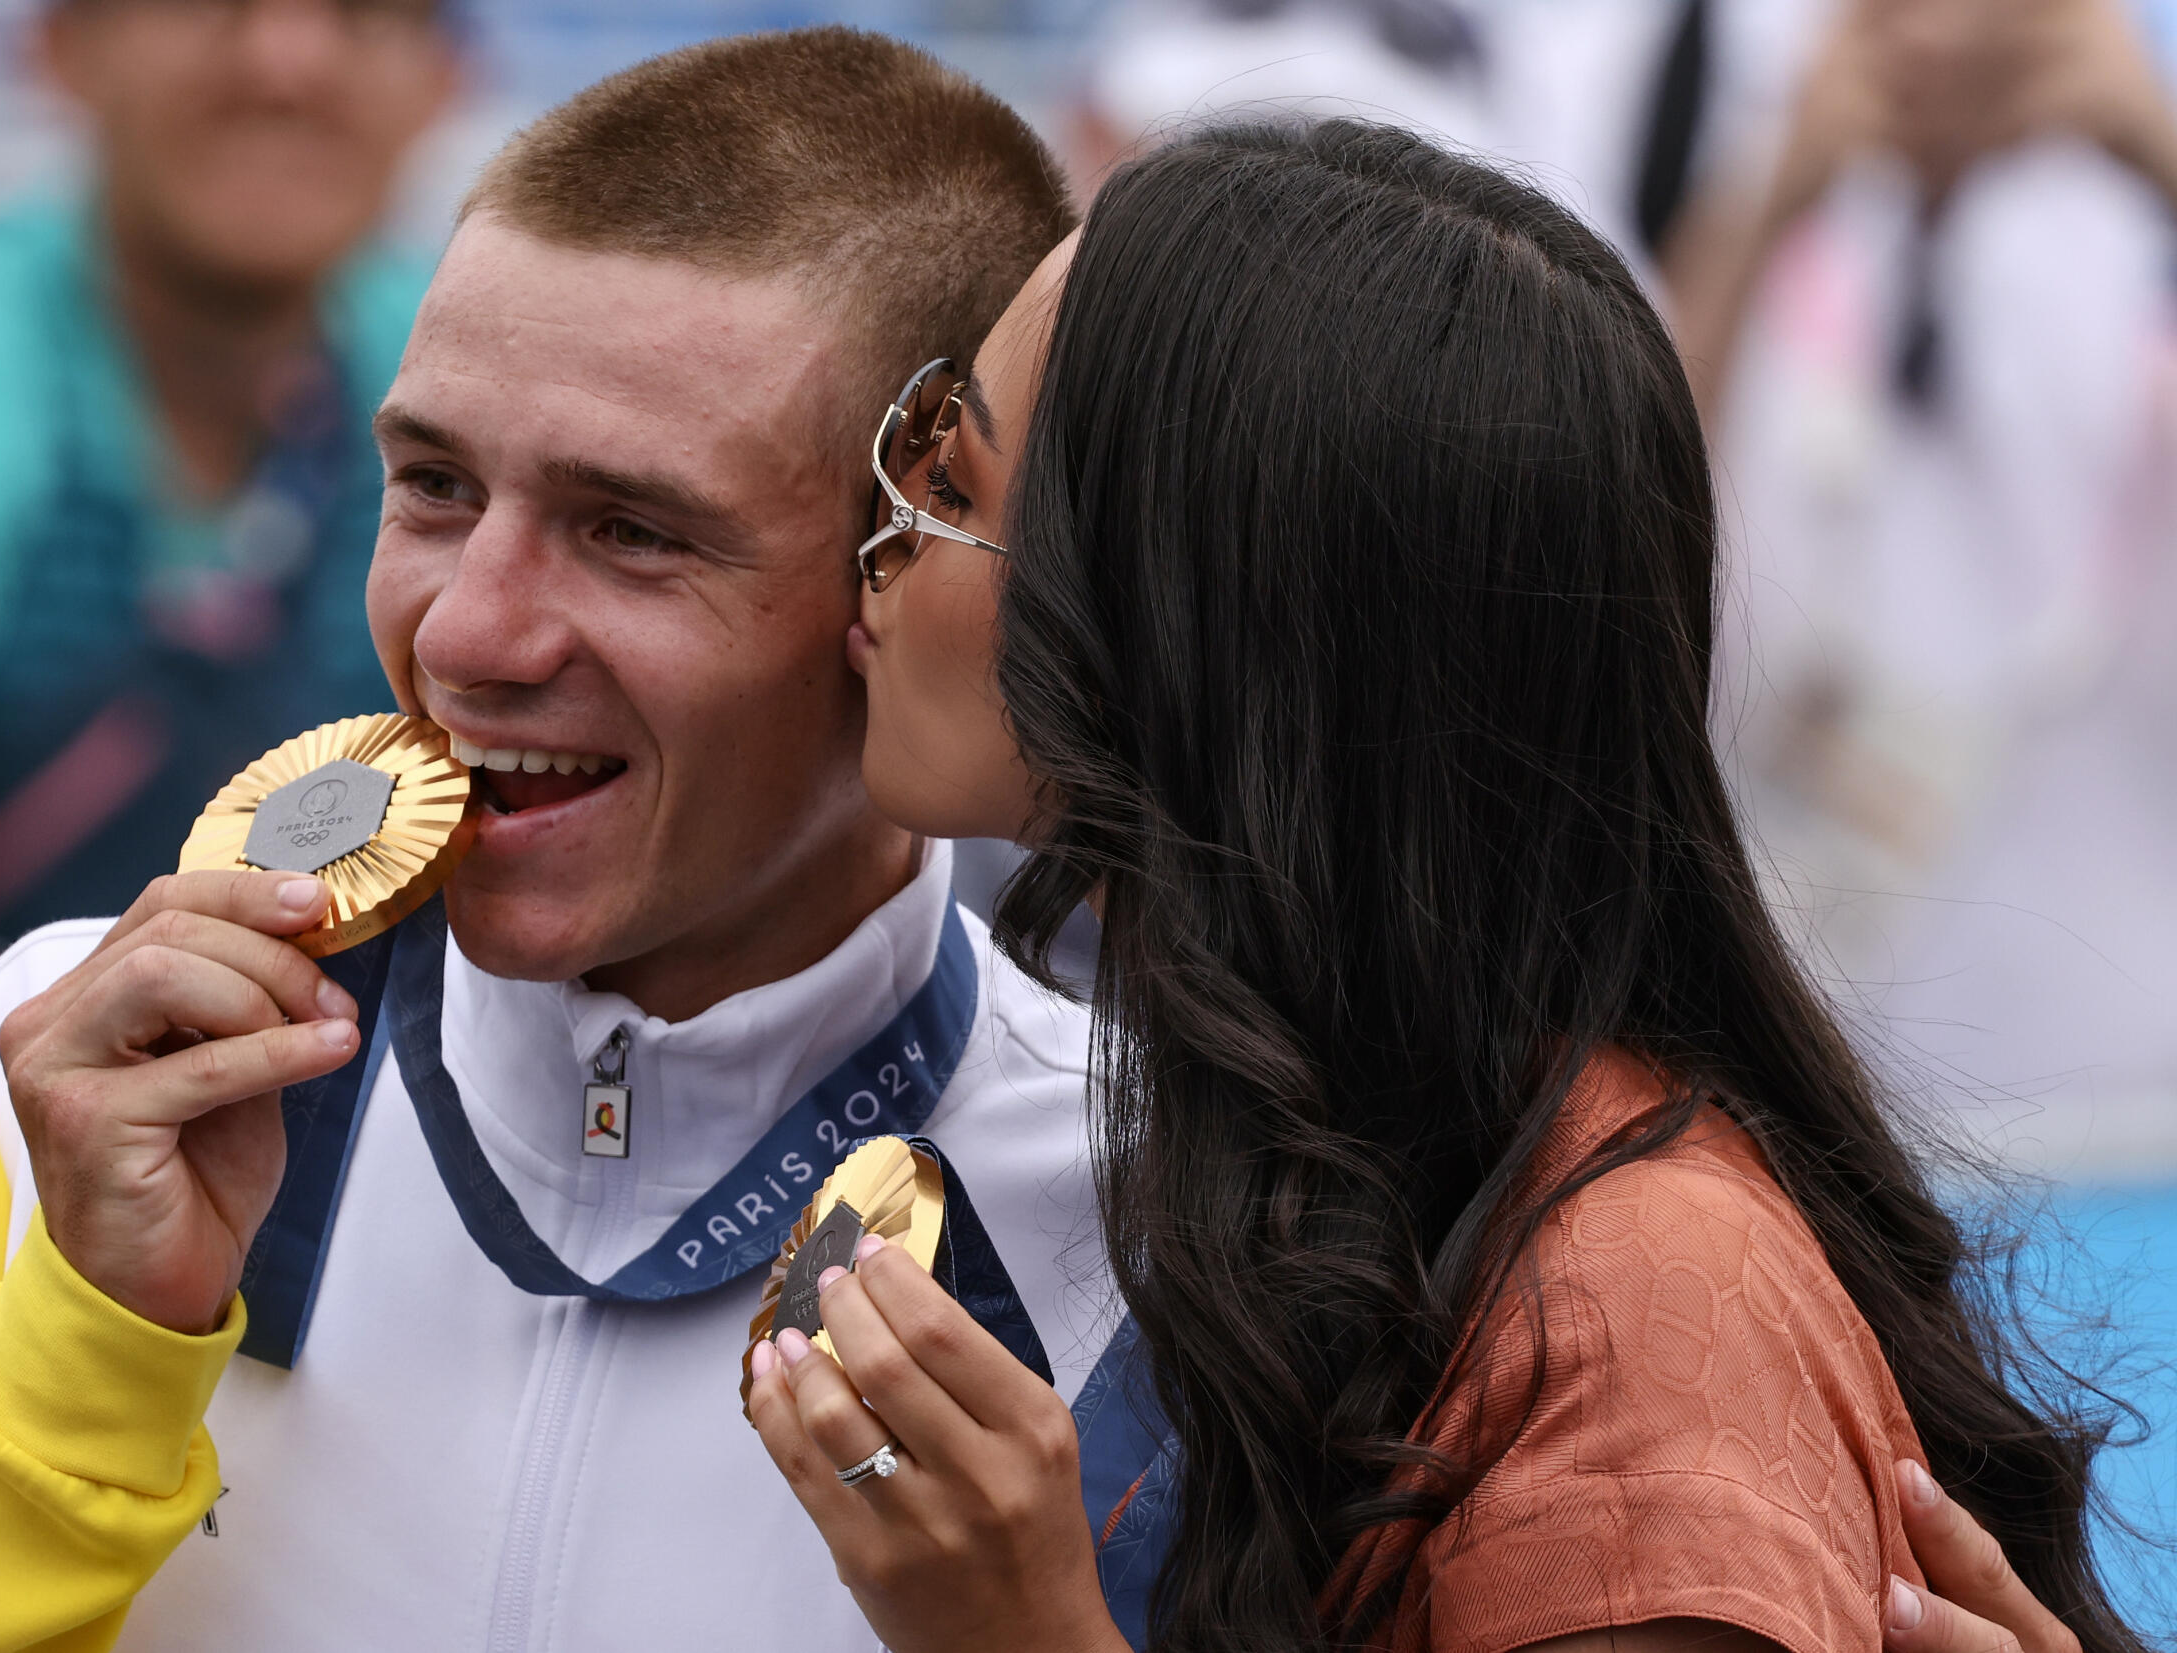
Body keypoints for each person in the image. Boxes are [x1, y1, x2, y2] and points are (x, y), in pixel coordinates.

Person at [0, 30, 1103, 1651]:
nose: (468, 632)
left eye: (631, 530)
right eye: (432, 483)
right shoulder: (14, 1083)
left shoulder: (1172, 1225)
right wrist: (70, 1365)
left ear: (905, 570)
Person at [742, 121, 2143, 1653]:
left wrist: (1019, 1637)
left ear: (1201, 633)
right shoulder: (1376, 1164)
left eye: (951, 468)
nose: (877, 533)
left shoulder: (1637, 1316)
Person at [0, 0, 457, 1221]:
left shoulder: (471, 378)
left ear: (443, 76)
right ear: (58, 46)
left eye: (366, 13)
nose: (287, 57)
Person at [1654, 0, 2177, 1176]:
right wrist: (1767, 195)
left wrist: (2154, 151)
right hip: (1809, 1120)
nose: (1946, 32)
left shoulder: (2128, 277)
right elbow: (1609, 538)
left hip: (2134, 1123)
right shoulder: (1762, 258)